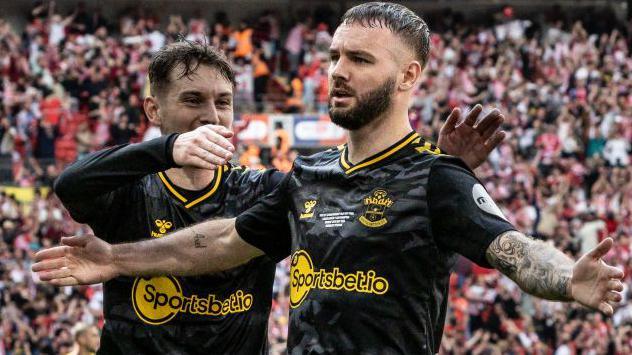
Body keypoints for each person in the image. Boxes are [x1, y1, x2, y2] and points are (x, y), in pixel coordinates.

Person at [38, 37, 504, 354]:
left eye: (223, 102)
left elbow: (361, 197)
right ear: (153, 109)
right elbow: (70, 184)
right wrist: (167, 149)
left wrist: (442, 166)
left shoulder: (261, 189)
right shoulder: (129, 192)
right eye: (193, 100)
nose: (212, 116)